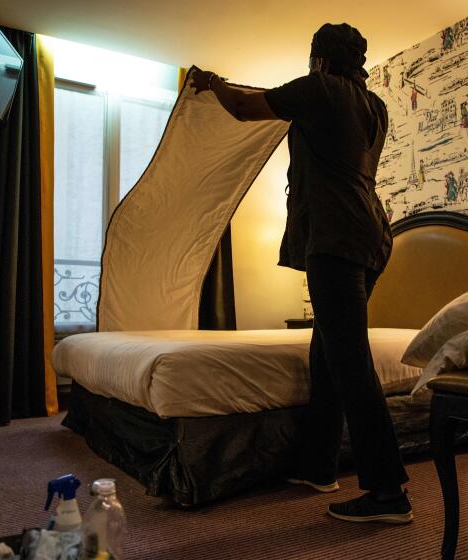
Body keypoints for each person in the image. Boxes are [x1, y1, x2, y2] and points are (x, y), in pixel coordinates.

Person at [191, 22, 411, 524]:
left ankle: (388, 492)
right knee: (328, 353)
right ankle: (318, 463)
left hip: (336, 240)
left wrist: (213, 81)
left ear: (319, 60)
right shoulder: (374, 105)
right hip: (372, 234)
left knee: (350, 360)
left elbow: (247, 108)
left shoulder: (318, 89)